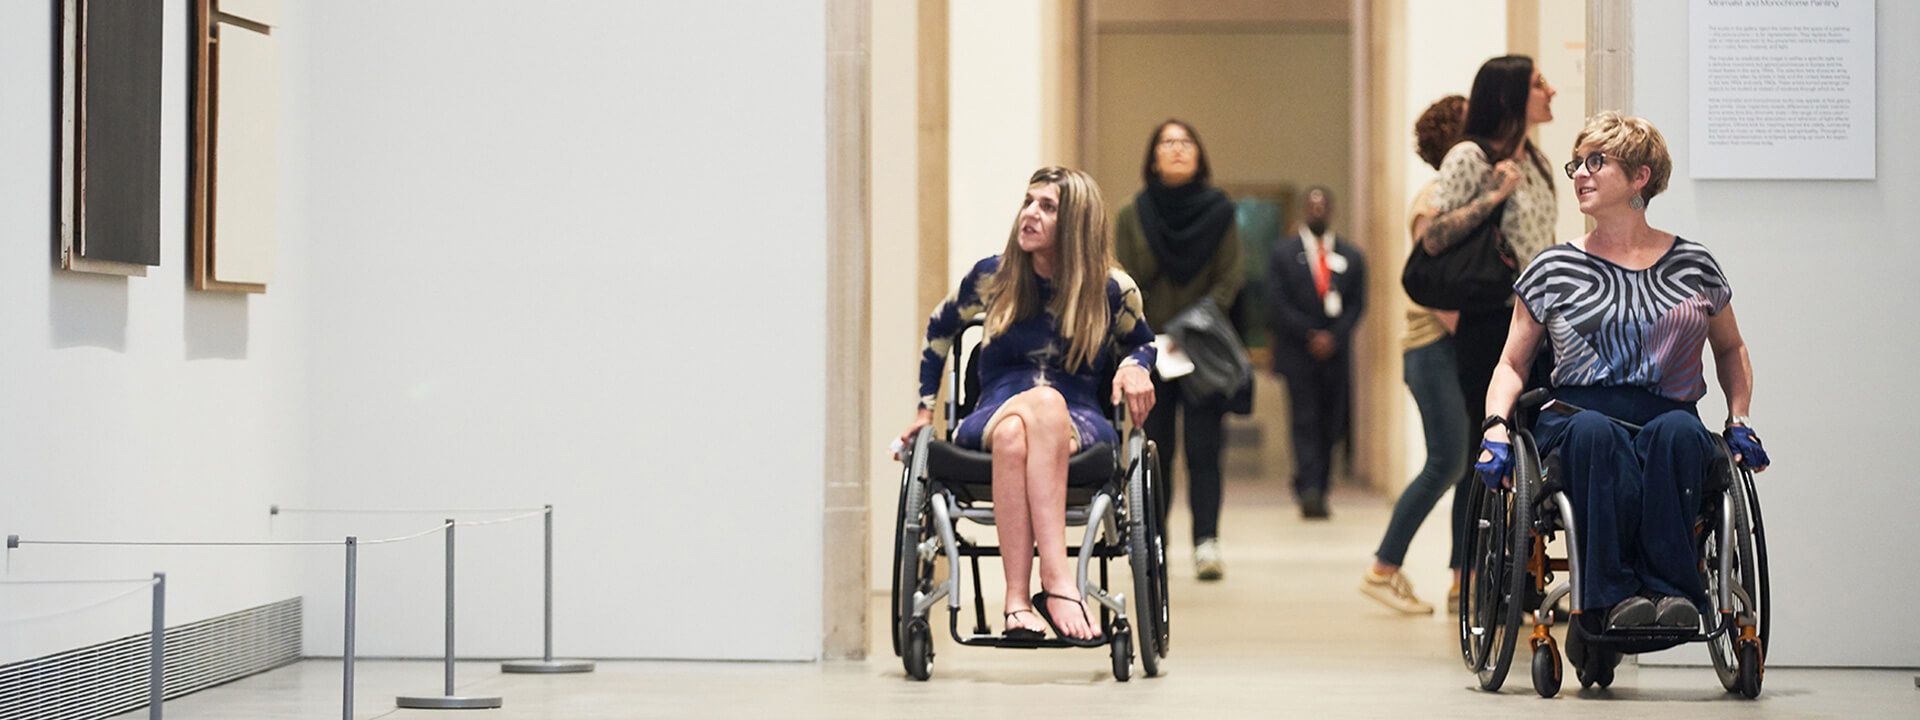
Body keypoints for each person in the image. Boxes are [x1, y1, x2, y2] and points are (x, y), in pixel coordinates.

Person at [1474, 112, 1771, 645]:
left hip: (1669, 416)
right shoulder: (1553, 267)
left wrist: (1739, 416)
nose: (1579, 175)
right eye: (1576, 164)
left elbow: (1730, 347)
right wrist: (1497, 425)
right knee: (1596, 433)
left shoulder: (1694, 265)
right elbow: (1511, 364)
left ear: (1640, 177)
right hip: (1576, 418)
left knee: (1679, 435)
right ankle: (1607, 599)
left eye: (1596, 162)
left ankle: (1673, 595)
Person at [899, 166, 1158, 643]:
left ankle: (1017, 601)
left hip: (1078, 421)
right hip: (990, 411)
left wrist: (1134, 367)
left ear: (1077, 222)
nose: (1030, 214)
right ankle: (1058, 583)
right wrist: (923, 411)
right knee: (1038, 403)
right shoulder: (991, 277)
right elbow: (939, 330)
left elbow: (1142, 343)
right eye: (1028, 202)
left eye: (1047, 206)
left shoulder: (1112, 289)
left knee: (1026, 426)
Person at [1422, 55, 1558, 611]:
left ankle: (1523, 580)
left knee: (1537, 449)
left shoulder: (1544, 162)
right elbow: (1433, 238)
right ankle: (1474, 578)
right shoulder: (1469, 157)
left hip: (1542, 323)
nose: (1550, 90)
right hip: (1489, 323)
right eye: (1536, 83)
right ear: (1507, 96)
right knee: (1493, 445)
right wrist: (1494, 197)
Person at [1114, 119, 1242, 581]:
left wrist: (1188, 329)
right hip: (1149, 346)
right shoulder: (1133, 213)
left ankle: (1207, 543)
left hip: (1201, 346)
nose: (1177, 149)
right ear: (1152, 156)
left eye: (1186, 141)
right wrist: (1153, 334)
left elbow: (1230, 278)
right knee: (1155, 446)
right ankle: (1154, 542)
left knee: (1206, 450)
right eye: (1167, 143)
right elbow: (1124, 279)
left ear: (1199, 154)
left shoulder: (1220, 210)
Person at [1361, 95, 1469, 614]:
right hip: (1432, 349)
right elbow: (1434, 287)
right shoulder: (1433, 200)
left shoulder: (1456, 196)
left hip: (1447, 350)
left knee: (1468, 463)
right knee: (1447, 462)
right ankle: (1384, 567)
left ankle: (1461, 581)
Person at [1266, 186, 1366, 520]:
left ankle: (1321, 484)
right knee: (1304, 420)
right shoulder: (1283, 253)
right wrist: (1309, 334)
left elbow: (1356, 305)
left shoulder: (1351, 256)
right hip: (1298, 353)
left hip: (1335, 355)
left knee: (1331, 422)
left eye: (1324, 204)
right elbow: (1277, 303)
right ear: (1303, 211)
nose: (1318, 210)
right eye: (1312, 205)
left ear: (1332, 210)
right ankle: (1309, 488)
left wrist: (1332, 337)